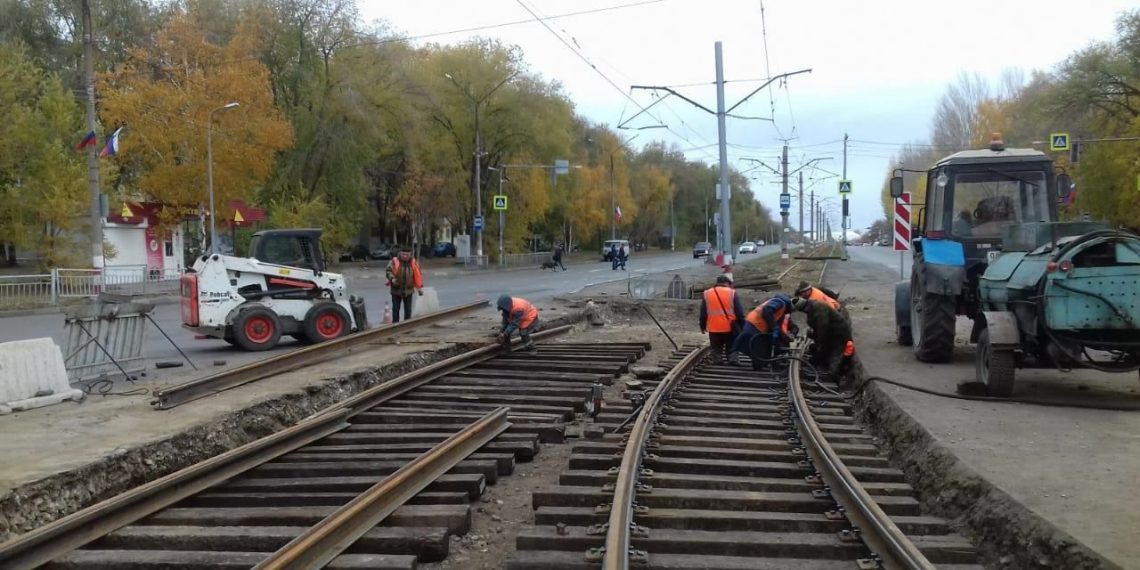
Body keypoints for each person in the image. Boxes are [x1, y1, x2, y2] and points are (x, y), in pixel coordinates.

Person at [792, 296, 853, 383]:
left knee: (835, 355)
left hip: (839, 334)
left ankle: (834, 376)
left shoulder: (819, 308)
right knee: (819, 350)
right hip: (831, 333)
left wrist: (819, 343)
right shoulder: (813, 308)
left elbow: (823, 327)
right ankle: (825, 365)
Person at [731, 294, 793, 371]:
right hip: (756, 325)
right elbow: (767, 310)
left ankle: (759, 365)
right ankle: (758, 366)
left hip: (753, 323)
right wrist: (774, 326)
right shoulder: (780, 302)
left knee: (758, 347)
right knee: (758, 348)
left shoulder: (777, 302)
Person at [699, 275, 746, 364]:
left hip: (713, 327)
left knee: (716, 348)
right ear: (727, 283)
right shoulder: (732, 293)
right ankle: (732, 359)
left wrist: (702, 325)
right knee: (732, 346)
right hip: (730, 327)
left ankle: (717, 360)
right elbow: (739, 312)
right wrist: (742, 325)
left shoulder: (707, 293)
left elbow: (703, 312)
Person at [385, 247, 423, 323]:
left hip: (408, 290)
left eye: (407, 254)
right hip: (396, 290)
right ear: (400, 254)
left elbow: (417, 275)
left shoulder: (413, 262)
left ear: (410, 255)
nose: (405, 256)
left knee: (408, 310)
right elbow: (388, 271)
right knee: (395, 309)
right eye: (403, 254)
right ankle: (395, 327)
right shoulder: (394, 261)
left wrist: (419, 288)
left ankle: (407, 328)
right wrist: (392, 279)